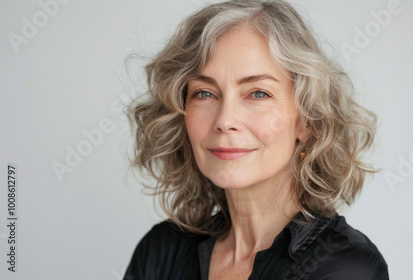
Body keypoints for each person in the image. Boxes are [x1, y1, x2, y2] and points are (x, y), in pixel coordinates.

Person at [124, 0, 389, 279]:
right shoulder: (161, 250)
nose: (225, 120)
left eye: (258, 93)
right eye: (204, 93)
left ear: (307, 120)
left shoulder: (343, 267)